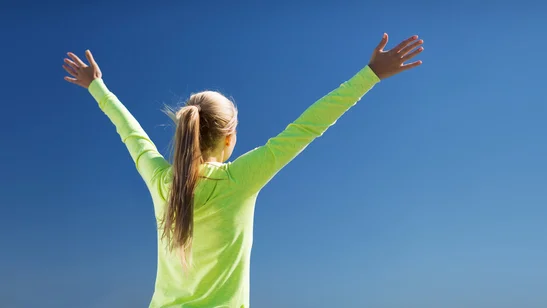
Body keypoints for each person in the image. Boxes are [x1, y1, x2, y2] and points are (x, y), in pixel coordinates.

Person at [62, 32, 424, 308]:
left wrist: (97, 86)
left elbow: (131, 134)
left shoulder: (162, 181)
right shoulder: (239, 179)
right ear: (229, 139)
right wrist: (371, 74)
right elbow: (306, 128)